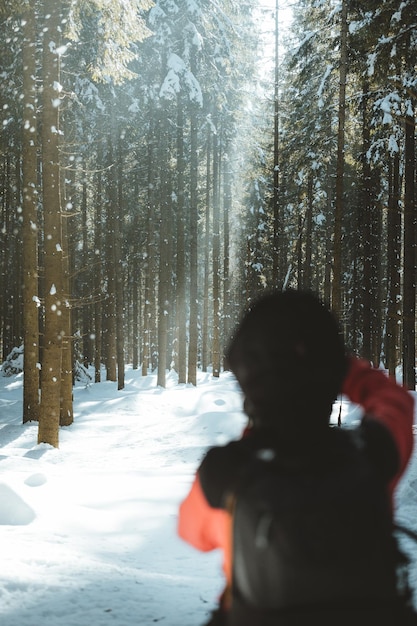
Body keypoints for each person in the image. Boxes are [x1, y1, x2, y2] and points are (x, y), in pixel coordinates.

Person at [178, 289, 415, 625]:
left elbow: (193, 534)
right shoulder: (375, 453)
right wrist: (337, 367)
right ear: (332, 373)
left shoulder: (225, 472)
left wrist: (256, 430)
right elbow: (395, 402)